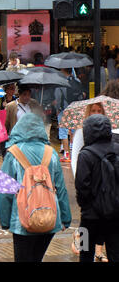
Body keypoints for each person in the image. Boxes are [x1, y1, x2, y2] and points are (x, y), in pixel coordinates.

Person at [0, 113, 72, 262]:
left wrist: (5, 222)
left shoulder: (13, 154)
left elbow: (5, 191)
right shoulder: (51, 153)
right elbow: (61, 188)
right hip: (50, 218)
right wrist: (66, 218)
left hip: (21, 221)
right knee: (37, 257)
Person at [75, 114, 119, 262]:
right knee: (115, 252)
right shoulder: (117, 149)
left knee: (85, 252)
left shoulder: (85, 154)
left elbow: (81, 186)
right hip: (115, 213)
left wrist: (86, 205)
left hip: (89, 216)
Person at [70, 102, 108, 262]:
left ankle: (98, 251)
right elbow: (75, 161)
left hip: (105, 195)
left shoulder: (109, 135)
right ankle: (79, 240)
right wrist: (83, 196)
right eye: (93, 110)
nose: (97, 113)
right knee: (86, 241)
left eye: (99, 110)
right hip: (89, 198)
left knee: (103, 228)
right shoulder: (81, 132)